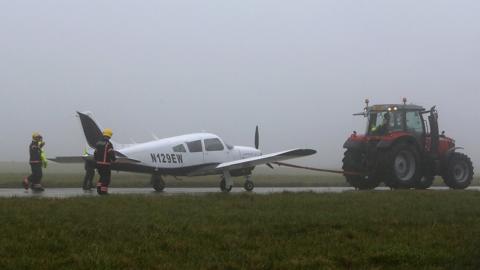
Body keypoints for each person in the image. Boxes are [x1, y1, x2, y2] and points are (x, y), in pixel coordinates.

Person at [94, 128, 116, 195]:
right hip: (105, 164)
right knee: (106, 178)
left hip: (98, 164)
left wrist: (97, 161)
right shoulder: (108, 144)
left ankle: (99, 189)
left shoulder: (98, 143)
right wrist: (114, 159)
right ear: (109, 136)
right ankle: (104, 192)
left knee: (101, 177)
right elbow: (111, 153)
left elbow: (95, 153)